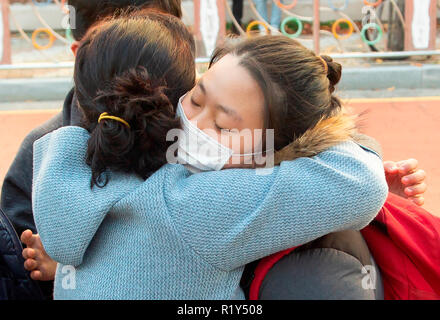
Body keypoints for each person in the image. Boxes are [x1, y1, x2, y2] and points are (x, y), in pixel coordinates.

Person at [27, 13, 388, 299]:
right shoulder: (202, 205)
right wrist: (327, 136)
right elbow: (361, 183)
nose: (192, 124)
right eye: (196, 100)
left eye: (223, 126)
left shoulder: (92, 166)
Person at [0, 0, 183, 300]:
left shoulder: (208, 140)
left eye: (156, 41)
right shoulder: (40, 155)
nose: (140, 74)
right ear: (80, 55)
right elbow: (24, 273)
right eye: (115, 47)